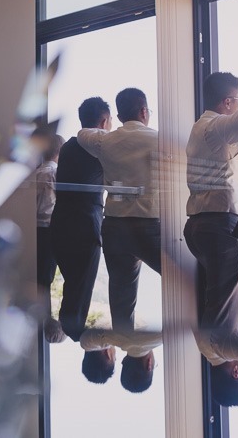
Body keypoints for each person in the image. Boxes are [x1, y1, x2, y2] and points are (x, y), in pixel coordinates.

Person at [184, 72, 238, 333]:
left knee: (217, 304)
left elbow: (232, 163)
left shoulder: (201, 129)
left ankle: (221, 363)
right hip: (218, 225)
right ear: (228, 102)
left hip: (200, 224)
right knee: (222, 313)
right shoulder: (216, 126)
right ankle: (223, 364)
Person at [78, 88, 161, 331]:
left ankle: (126, 341)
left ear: (120, 114)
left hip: (114, 225)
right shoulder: (158, 139)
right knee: (186, 281)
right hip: (149, 224)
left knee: (121, 296)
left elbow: (83, 133)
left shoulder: (104, 141)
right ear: (144, 111)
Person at [45, 97, 112, 342]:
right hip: (85, 225)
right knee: (80, 287)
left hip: (60, 221)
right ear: (104, 121)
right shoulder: (101, 147)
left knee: (74, 284)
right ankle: (76, 335)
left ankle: (70, 332)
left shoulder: (69, 147)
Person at [35, 132, 64, 341]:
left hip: (37, 227)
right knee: (46, 275)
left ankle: (43, 317)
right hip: (48, 227)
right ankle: (43, 318)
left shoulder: (37, 172)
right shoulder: (53, 173)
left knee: (43, 276)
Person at [78, 328, 162, 393]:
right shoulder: (114, 333)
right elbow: (86, 341)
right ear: (124, 361)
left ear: (149, 365)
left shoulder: (165, 334)